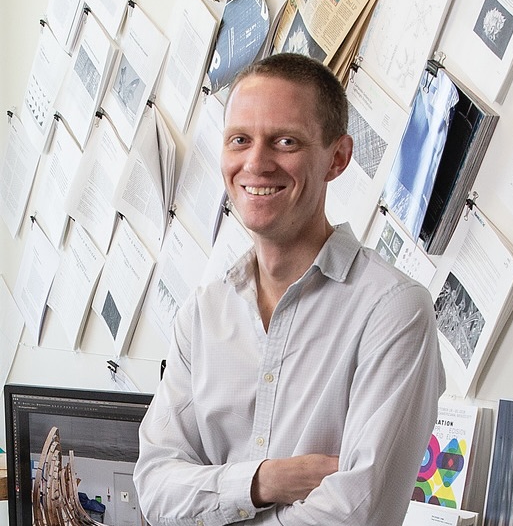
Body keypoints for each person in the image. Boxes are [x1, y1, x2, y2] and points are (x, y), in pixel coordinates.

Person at [134, 52, 446, 526]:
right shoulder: (202, 315)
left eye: (285, 141)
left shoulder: (394, 311)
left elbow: (356, 515)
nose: (256, 163)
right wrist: (262, 482)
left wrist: (212, 498)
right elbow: (155, 489)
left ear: (337, 158)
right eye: (240, 140)